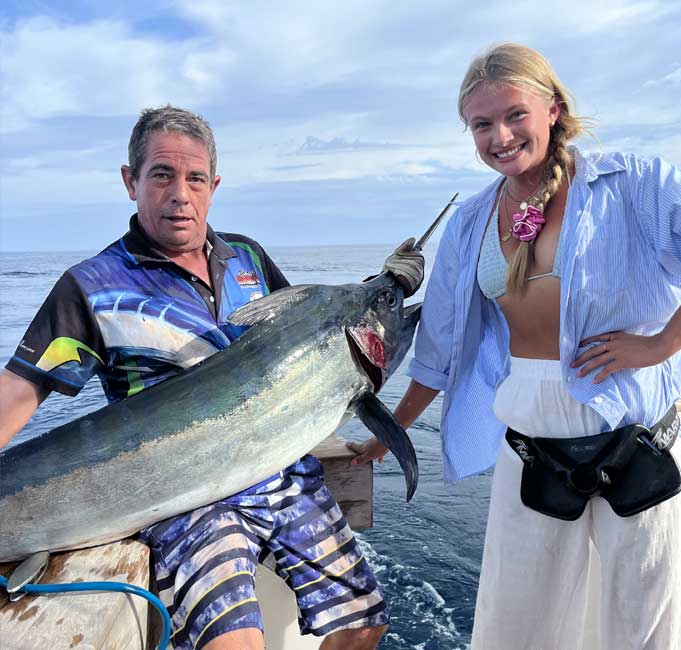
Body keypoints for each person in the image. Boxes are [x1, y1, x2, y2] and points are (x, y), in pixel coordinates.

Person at [0, 105, 424, 650]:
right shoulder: (90, 286)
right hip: (187, 498)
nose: (181, 193)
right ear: (130, 182)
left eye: (195, 178)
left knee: (364, 627)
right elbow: (18, 390)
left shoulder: (247, 256)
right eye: (162, 175)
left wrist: (384, 285)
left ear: (214, 185)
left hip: (284, 478)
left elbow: (310, 338)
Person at [349, 43, 681, 649]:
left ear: (553, 108)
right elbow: (438, 347)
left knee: (651, 633)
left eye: (515, 114)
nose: (501, 135)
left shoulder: (633, 185)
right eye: (481, 124)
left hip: (639, 443)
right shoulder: (472, 221)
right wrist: (390, 433)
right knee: (515, 628)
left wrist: (662, 344)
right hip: (532, 447)